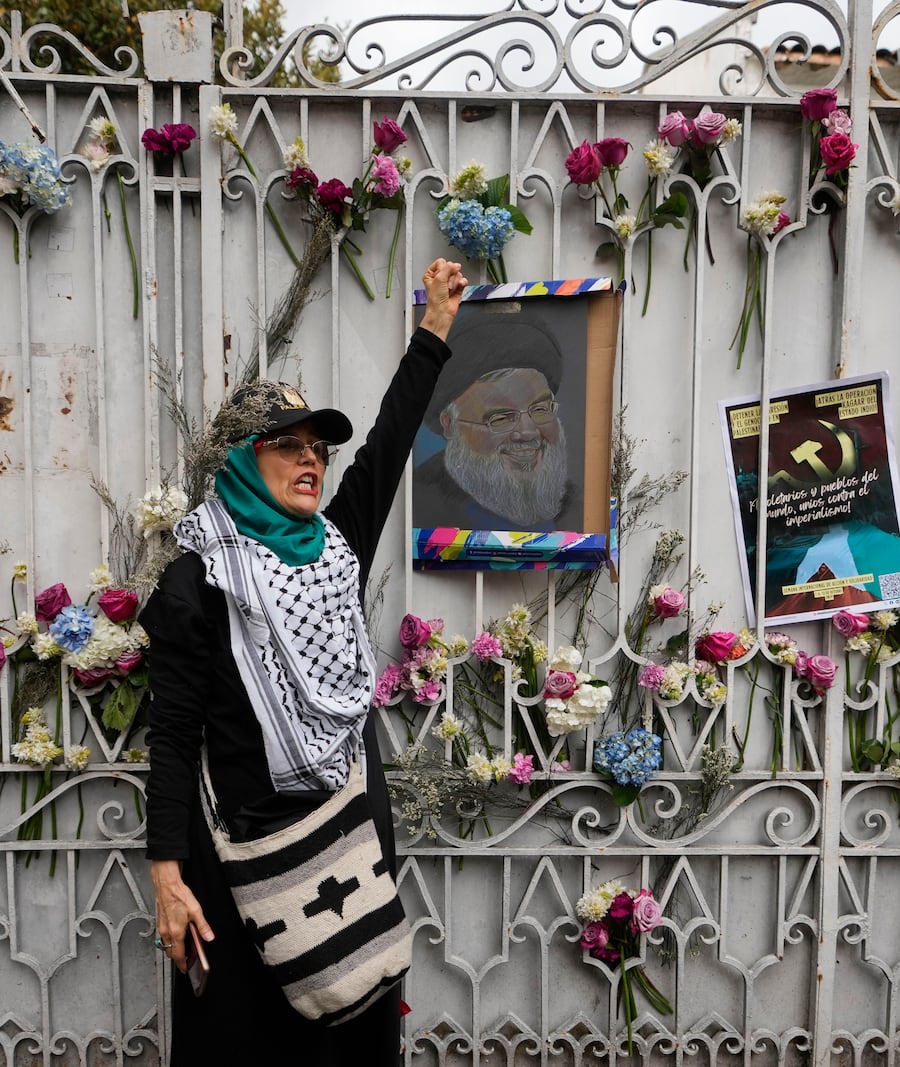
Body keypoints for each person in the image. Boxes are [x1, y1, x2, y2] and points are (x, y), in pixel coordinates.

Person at [143, 259, 468, 1064]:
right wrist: (166, 876)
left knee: (352, 1043)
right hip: (241, 866)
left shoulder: (336, 550)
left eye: (317, 446)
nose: (310, 460)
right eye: (285, 445)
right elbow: (175, 735)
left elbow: (388, 444)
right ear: (243, 461)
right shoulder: (198, 578)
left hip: (348, 847)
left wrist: (434, 330)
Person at [412, 312, 582, 532]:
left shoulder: (578, 510)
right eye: (501, 417)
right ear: (449, 424)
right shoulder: (417, 509)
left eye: (540, 409)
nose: (528, 432)